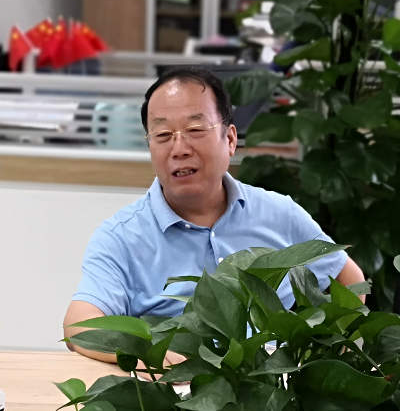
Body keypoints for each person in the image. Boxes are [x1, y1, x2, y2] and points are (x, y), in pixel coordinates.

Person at [64, 66, 365, 372]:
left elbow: (349, 279)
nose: (179, 149)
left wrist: (330, 358)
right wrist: (149, 355)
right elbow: (80, 325)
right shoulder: (121, 237)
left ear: (230, 139)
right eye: (163, 135)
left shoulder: (280, 214)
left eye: (195, 130)